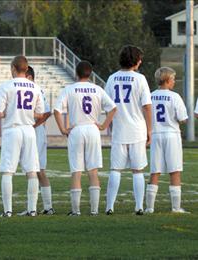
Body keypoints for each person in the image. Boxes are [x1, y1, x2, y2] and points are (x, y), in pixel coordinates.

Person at [54, 61, 117, 216]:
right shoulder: (97, 89)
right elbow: (113, 108)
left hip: (76, 129)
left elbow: (56, 110)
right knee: (93, 171)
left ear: (76, 73)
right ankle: (94, 210)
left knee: (76, 171)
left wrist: (63, 129)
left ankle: (76, 211)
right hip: (93, 129)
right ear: (90, 73)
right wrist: (103, 125)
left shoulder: (69, 89)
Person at [0, 56, 45, 217]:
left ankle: (8, 210)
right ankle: (32, 209)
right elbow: (40, 113)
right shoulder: (35, 87)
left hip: (12, 129)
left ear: (13, 68)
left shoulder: (6, 86)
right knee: (31, 171)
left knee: (8, 171)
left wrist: (9, 112)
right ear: (26, 68)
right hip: (29, 130)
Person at [104, 45, 152, 215]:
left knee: (115, 169)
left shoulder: (111, 79)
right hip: (137, 129)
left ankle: (110, 206)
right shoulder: (140, 79)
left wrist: (109, 125)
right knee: (137, 170)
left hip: (119, 129)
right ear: (136, 61)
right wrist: (150, 130)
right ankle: (139, 206)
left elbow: (108, 106)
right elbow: (147, 106)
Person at [145, 67, 189, 214]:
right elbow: (183, 119)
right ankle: (176, 207)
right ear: (168, 80)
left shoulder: (150, 96)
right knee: (175, 171)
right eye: (173, 79)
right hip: (171, 134)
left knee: (155, 171)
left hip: (156, 134)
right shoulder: (175, 96)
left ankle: (150, 207)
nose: (174, 82)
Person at [25, 65, 55, 215]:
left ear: (29, 77)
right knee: (35, 170)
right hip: (34, 132)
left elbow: (47, 112)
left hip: (36, 133)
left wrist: (33, 125)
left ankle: (37, 207)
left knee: (35, 169)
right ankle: (45, 207)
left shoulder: (36, 89)